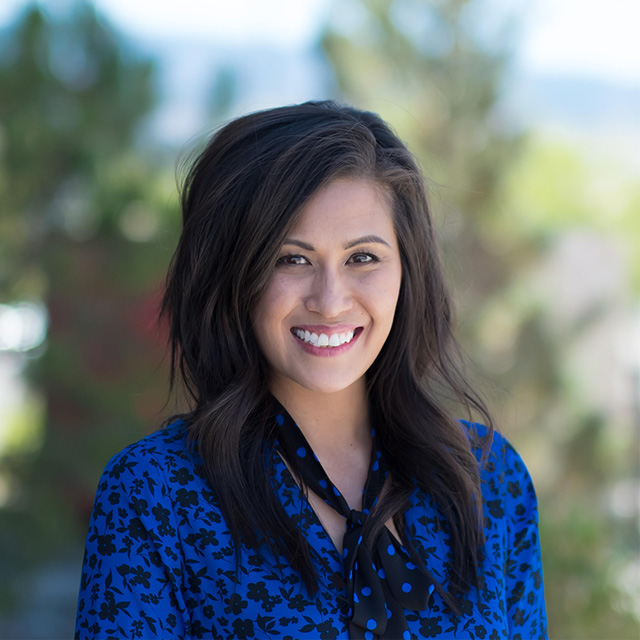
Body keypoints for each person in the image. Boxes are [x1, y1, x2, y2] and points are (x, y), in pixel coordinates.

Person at [75, 101, 547, 640]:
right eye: (291, 259)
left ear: (406, 271)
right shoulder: (154, 494)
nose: (330, 300)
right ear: (234, 278)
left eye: (362, 257)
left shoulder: (490, 478)